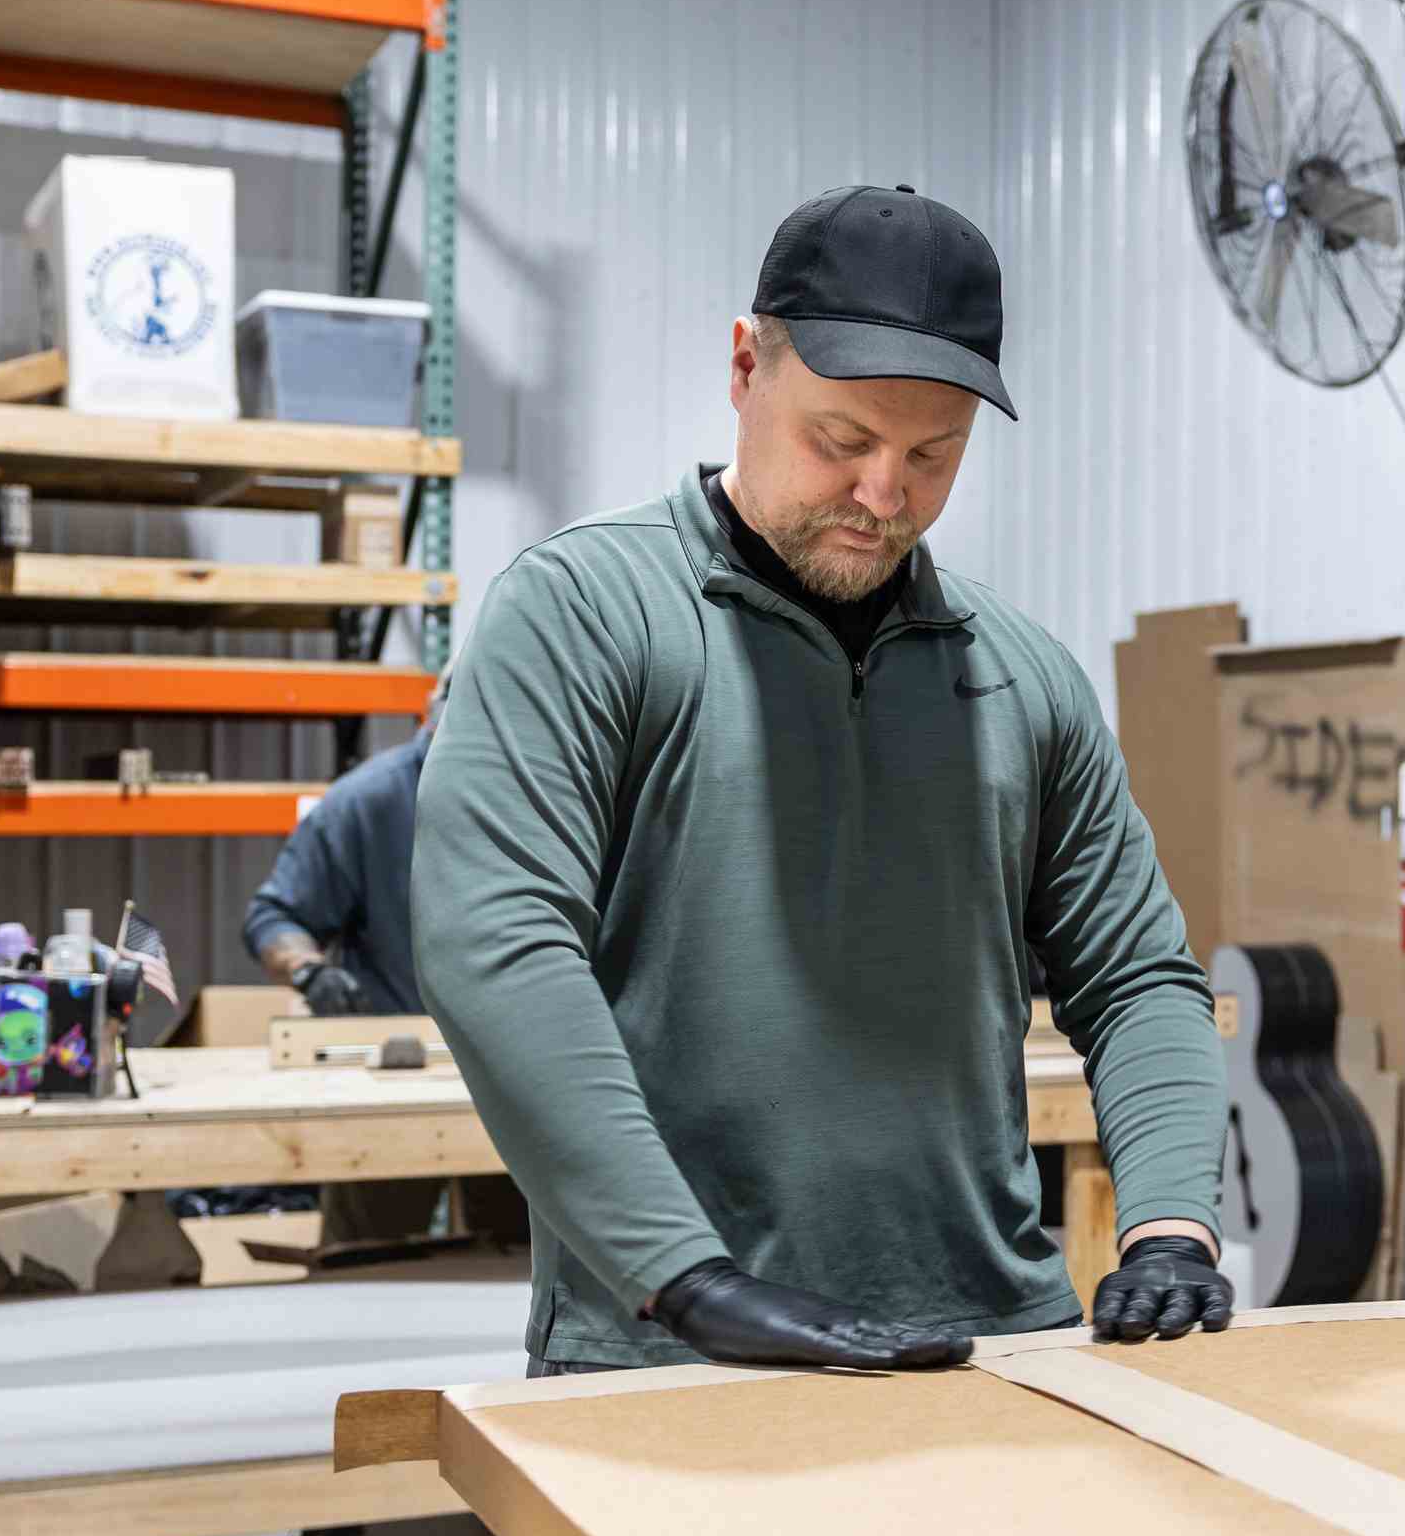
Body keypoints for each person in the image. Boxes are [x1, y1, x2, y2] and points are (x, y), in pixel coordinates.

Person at [415, 184, 1230, 1377]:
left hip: (995, 1346)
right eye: (841, 441)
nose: (883, 494)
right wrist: (685, 1279)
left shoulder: (1020, 677)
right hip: (675, 1358)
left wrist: (1171, 1223)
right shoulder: (582, 613)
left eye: (932, 454)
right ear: (746, 367)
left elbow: (1139, 972)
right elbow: (495, 942)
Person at [244, 700, 525, 1250]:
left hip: (512, 1071)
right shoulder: (367, 802)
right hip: (390, 1076)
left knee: (516, 1258)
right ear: (431, 722)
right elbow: (275, 918)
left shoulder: (533, 791)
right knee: (368, 1259)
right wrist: (308, 971)